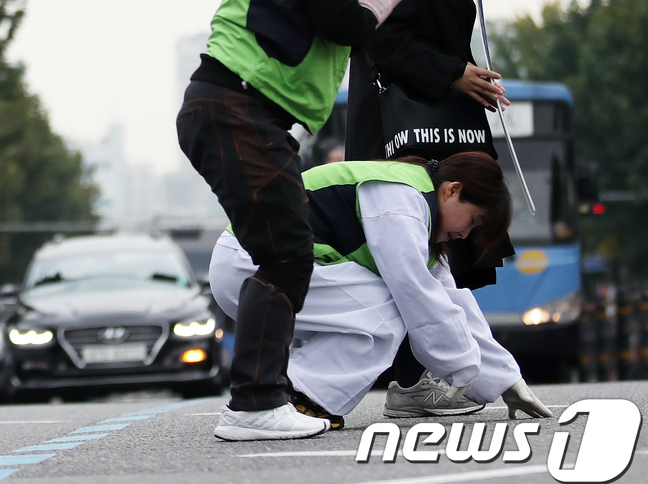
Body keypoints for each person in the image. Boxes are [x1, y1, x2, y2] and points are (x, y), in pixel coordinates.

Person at [175, 0, 410, 441]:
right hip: (238, 109)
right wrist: (373, 8)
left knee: (283, 253)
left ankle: (268, 395)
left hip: (233, 111)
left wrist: (362, 6)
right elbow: (341, 24)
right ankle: (254, 406)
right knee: (285, 256)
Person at [344, 0, 518, 414]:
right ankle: (415, 381)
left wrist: (463, 77)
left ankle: (423, 376)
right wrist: (453, 74)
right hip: (408, 133)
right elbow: (384, 40)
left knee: (437, 248)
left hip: (436, 126)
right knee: (420, 249)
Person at [208, 154, 553, 429]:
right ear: (453, 190)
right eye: (473, 221)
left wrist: (508, 380)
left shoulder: (418, 210)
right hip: (248, 264)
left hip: (261, 269)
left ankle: (296, 393)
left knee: (391, 306)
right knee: (392, 305)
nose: (465, 235)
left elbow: (451, 302)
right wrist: (463, 366)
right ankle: (296, 393)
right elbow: (415, 294)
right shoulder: (400, 197)